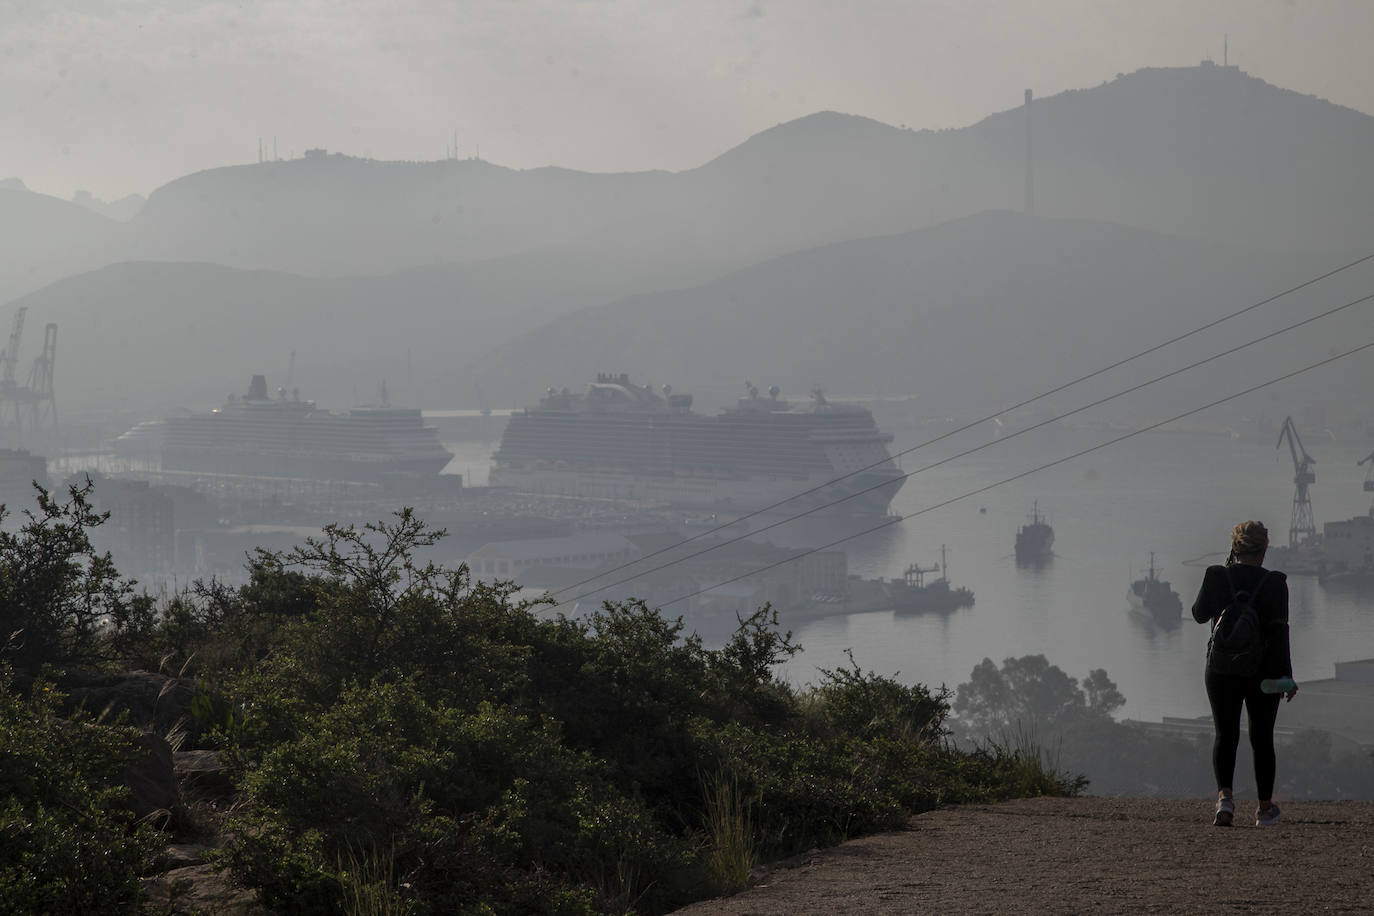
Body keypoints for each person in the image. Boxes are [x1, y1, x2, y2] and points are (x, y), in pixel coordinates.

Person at [1191, 520, 1298, 827]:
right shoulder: (1275, 583)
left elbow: (1199, 615)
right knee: (1262, 737)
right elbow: (1280, 634)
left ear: (1234, 547)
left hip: (1221, 668)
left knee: (1226, 733)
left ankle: (1224, 801)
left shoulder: (1217, 575)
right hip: (1263, 673)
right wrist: (1286, 677)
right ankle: (1265, 810)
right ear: (1264, 550)